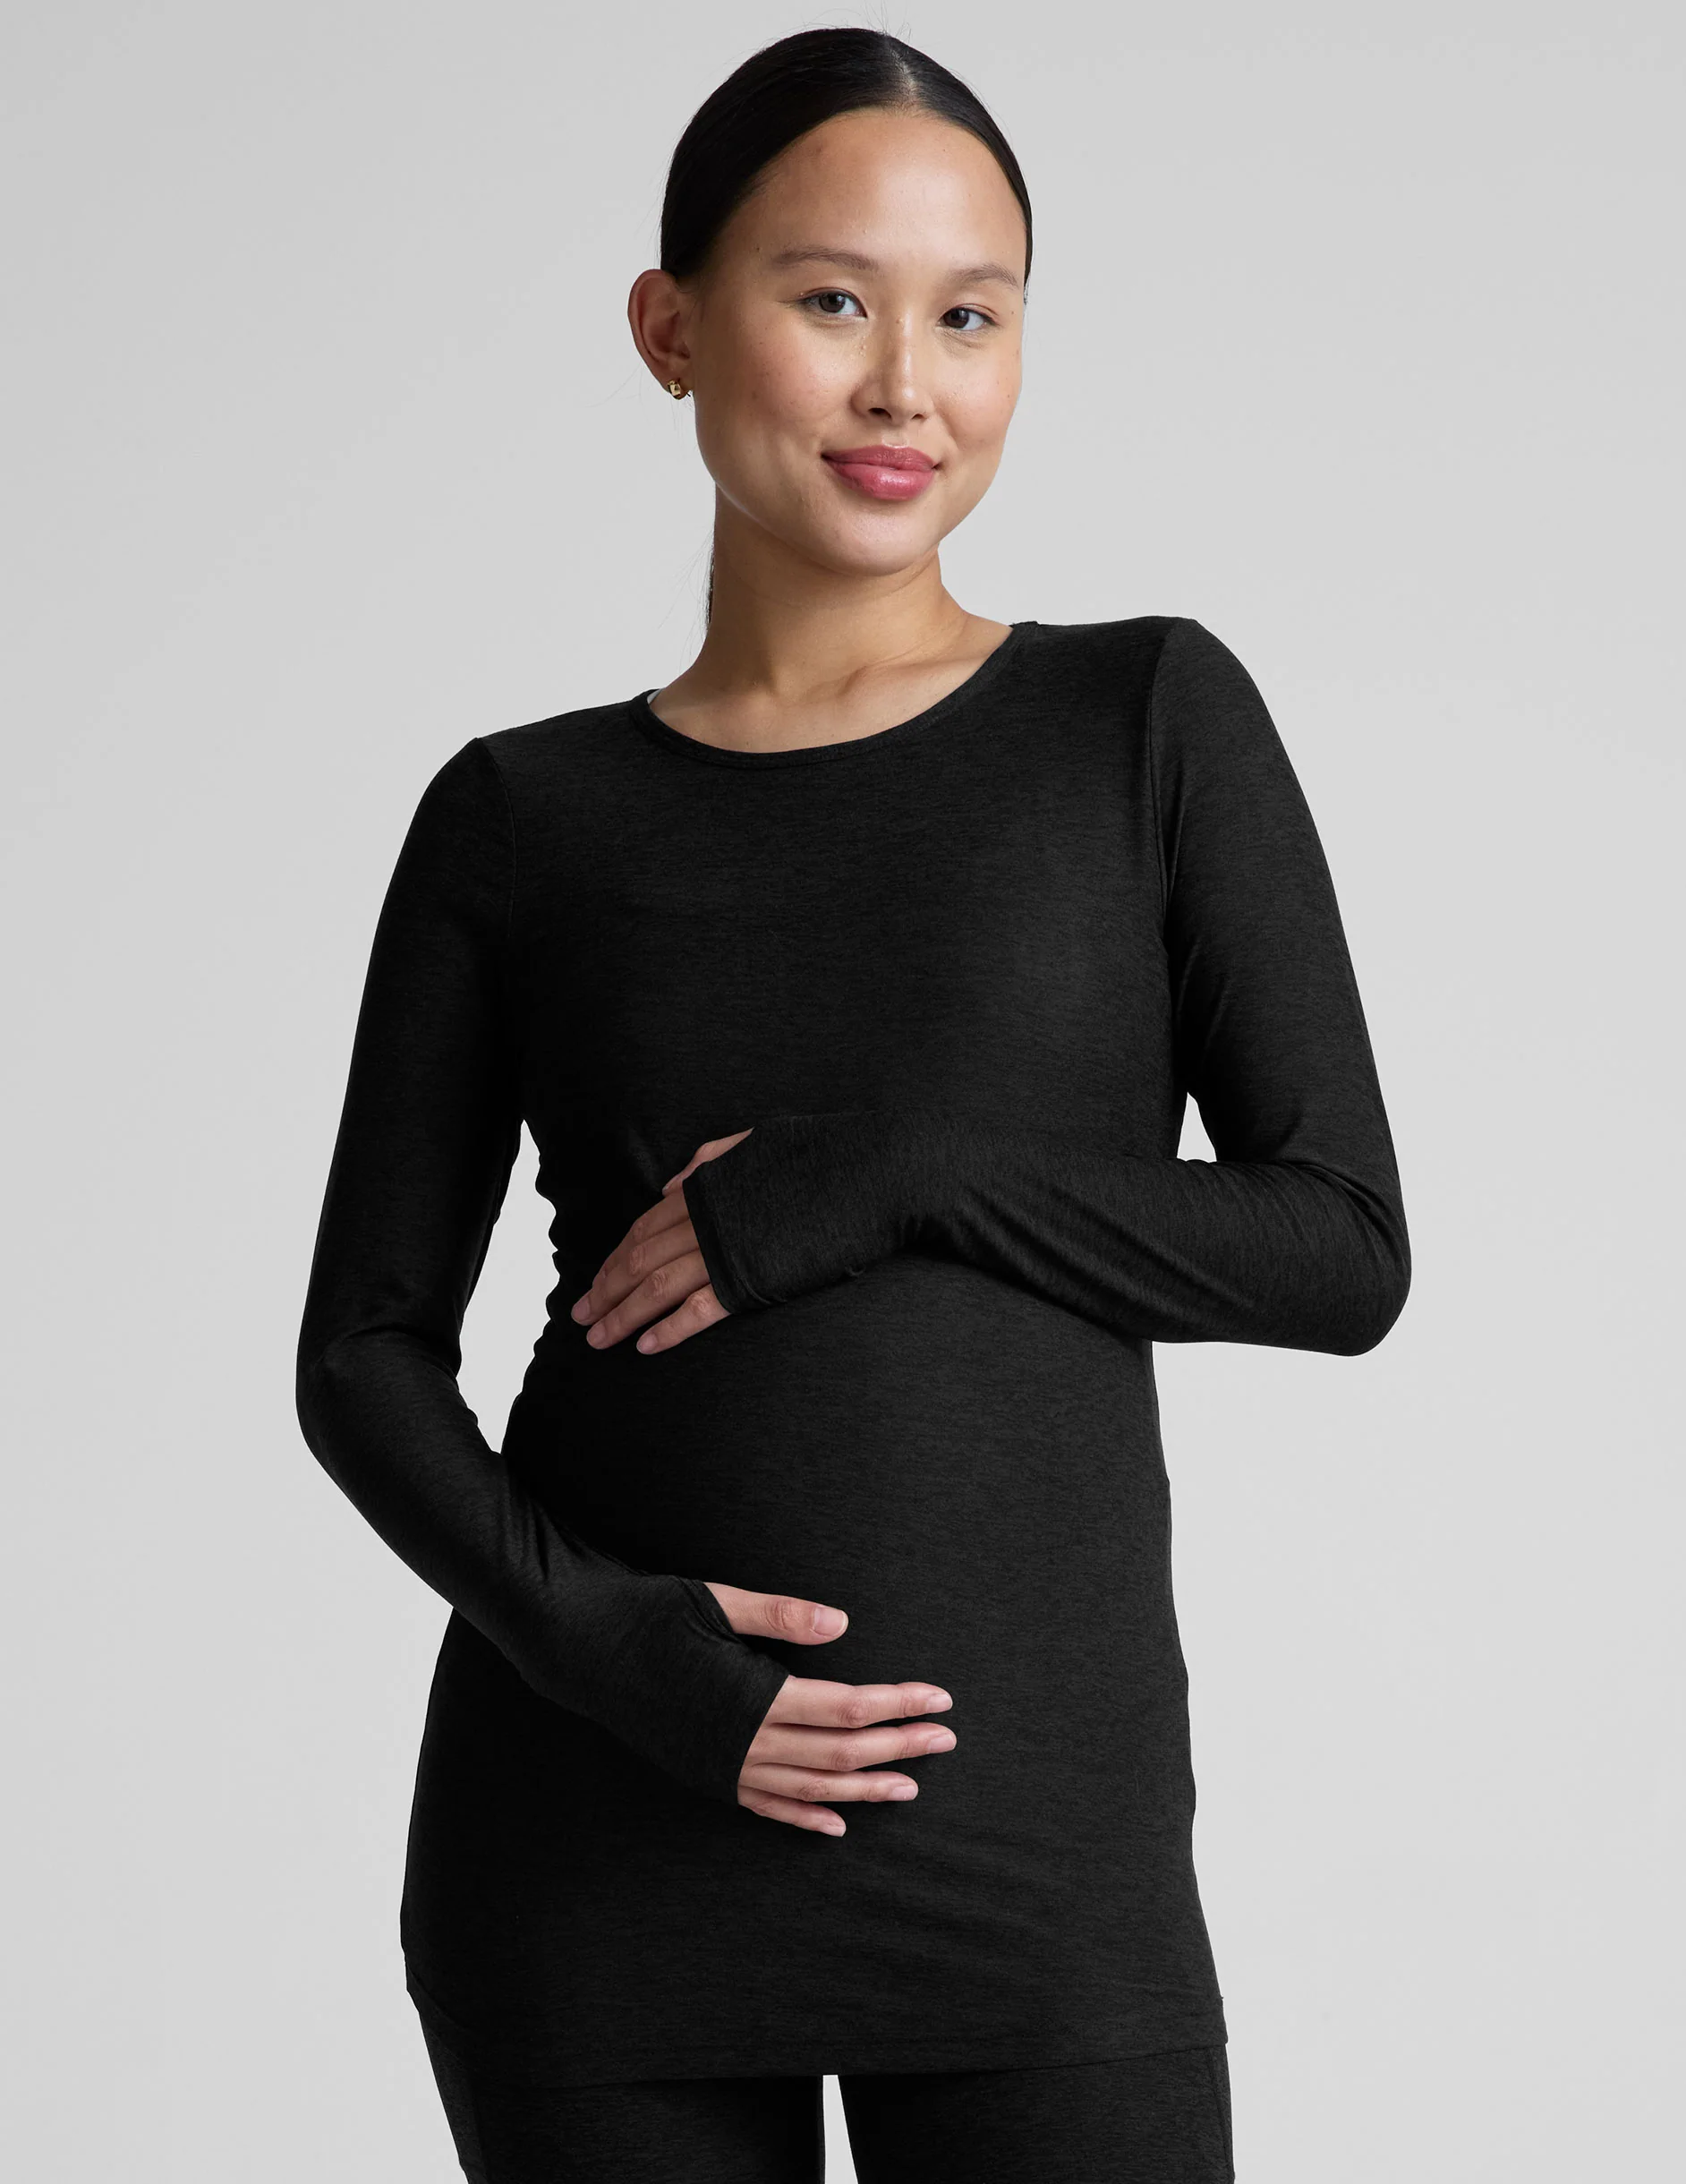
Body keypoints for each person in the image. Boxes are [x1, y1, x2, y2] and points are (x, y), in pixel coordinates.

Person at [294, 25, 1409, 2183]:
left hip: (1034, 1857)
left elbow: (1340, 1244)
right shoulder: (522, 814)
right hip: (597, 1839)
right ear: (669, 327)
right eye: (832, 299)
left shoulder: (1144, 717)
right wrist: (615, 1651)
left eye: (971, 317)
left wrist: (887, 1177)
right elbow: (361, 1356)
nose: (908, 384)